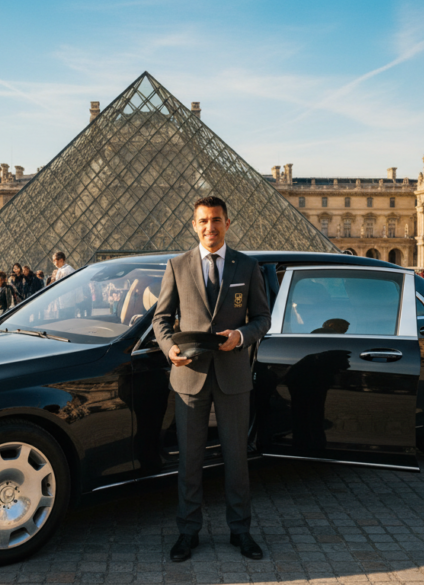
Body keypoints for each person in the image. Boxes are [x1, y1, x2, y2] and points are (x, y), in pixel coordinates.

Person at [152, 196, 271, 562]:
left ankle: (241, 531)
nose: (210, 227)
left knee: (237, 458)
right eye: (203, 220)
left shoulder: (247, 266)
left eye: (216, 219)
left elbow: (263, 318)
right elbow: (161, 318)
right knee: (189, 460)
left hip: (233, 375)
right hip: (189, 376)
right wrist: (169, 347)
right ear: (193, 224)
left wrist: (242, 337)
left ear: (228, 223)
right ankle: (188, 532)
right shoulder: (177, 265)